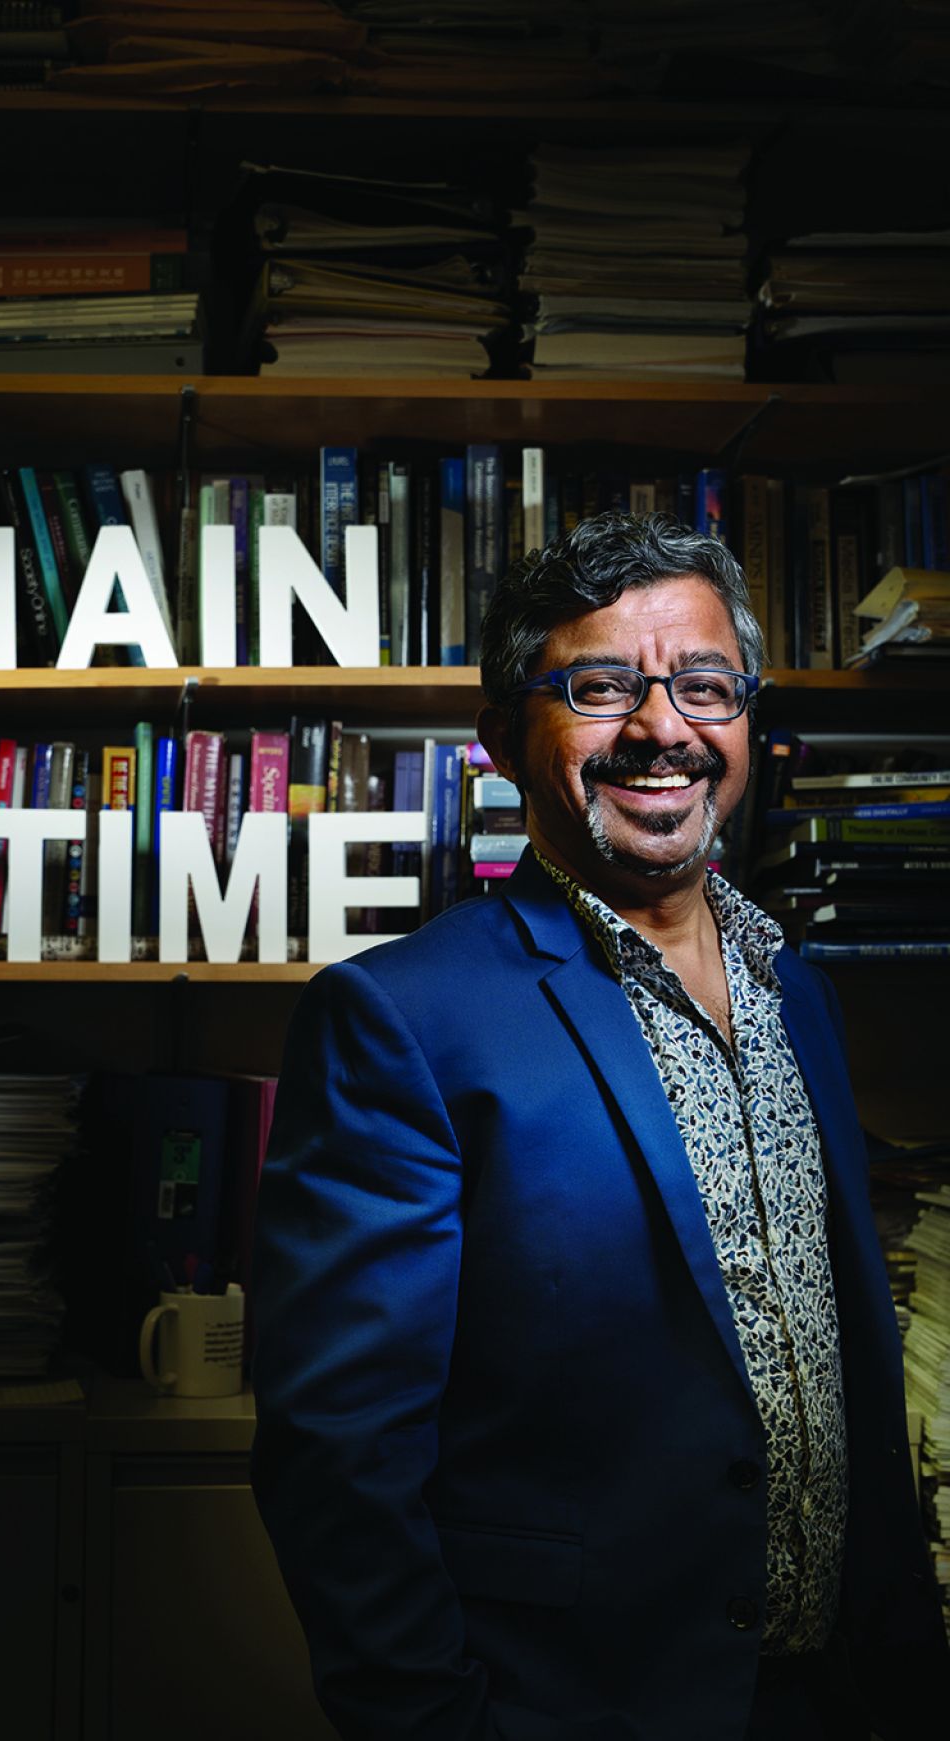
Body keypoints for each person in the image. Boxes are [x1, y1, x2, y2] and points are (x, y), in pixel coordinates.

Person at [249, 514, 948, 1741]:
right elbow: (338, 1455)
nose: (659, 727)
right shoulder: (399, 1019)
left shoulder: (802, 989)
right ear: (502, 740)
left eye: (701, 685)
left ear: (743, 726)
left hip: (837, 1692)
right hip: (572, 1703)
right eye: (598, 685)